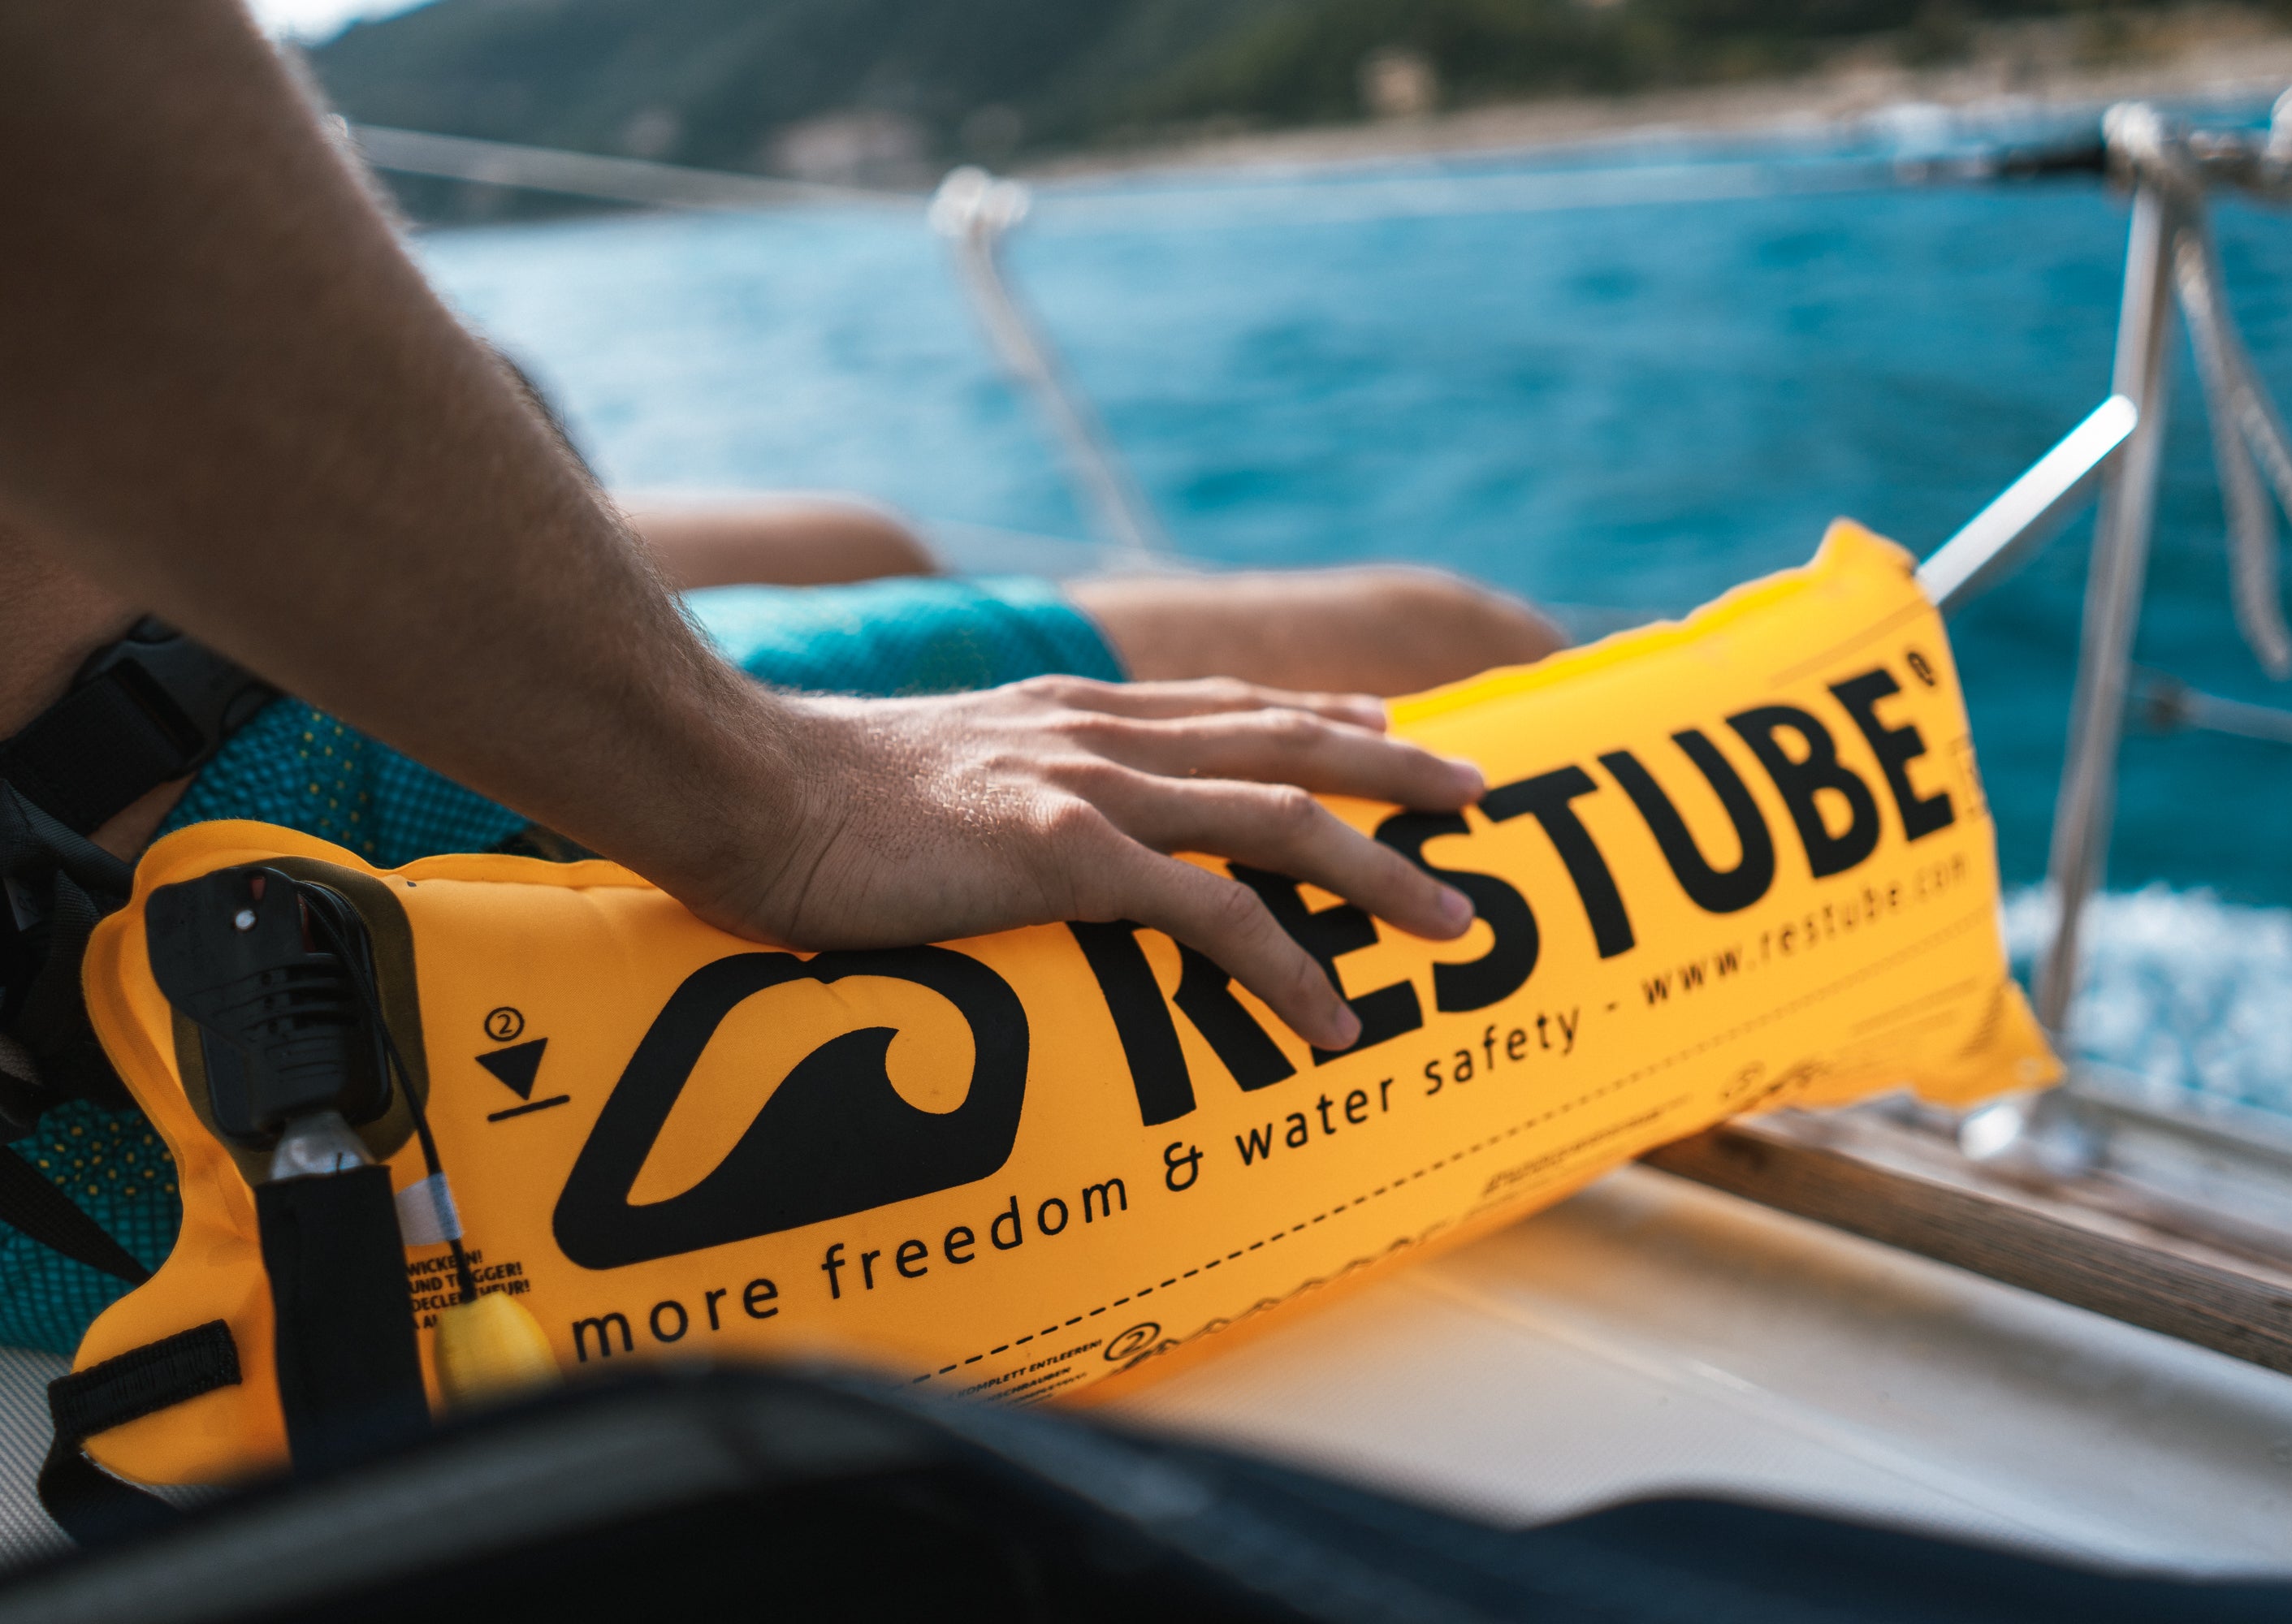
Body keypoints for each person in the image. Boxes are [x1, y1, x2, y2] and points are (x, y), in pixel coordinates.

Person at [0, 2, 1559, 1352]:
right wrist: (774, 792)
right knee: (1436, 638)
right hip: (192, 827)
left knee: (853, 534)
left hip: (144, 651)